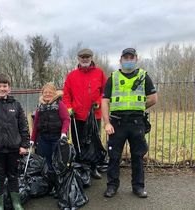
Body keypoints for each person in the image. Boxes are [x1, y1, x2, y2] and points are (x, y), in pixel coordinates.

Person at [102, 48, 157, 198]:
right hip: (116, 123)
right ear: (120, 60)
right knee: (114, 156)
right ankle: (112, 186)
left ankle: (138, 187)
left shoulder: (144, 76)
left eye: (131, 57)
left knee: (137, 156)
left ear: (136, 59)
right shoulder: (113, 78)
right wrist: (107, 123)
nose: (128, 60)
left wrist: (137, 107)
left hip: (136, 122)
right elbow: (105, 102)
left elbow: (153, 98)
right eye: (125, 58)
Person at [0, 74, 30, 210]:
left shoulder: (16, 105)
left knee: (14, 176)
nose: (2, 88)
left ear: (9, 88)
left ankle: (16, 203)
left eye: (5, 86)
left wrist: (24, 145)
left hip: (14, 149)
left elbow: (24, 127)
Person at [62, 48, 107, 179]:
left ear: (91, 58)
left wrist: (98, 101)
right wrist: (69, 107)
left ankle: (93, 167)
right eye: (82, 57)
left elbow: (105, 92)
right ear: (78, 59)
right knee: (78, 142)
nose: (85, 59)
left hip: (94, 116)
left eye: (87, 57)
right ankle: (81, 167)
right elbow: (66, 95)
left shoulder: (99, 73)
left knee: (93, 142)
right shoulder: (71, 75)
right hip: (77, 116)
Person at [31, 82, 70, 170]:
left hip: (57, 138)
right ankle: (48, 179)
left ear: (54, 93)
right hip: (43, 139)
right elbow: (36, 124)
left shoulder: (59, 104)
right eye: (45, 92)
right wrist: (32, 139)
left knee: (57, 160)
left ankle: (58, 179)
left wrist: (63, 133)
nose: (47, 94)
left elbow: (66, 119)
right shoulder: (40, 107)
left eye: (50, 92)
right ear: (42, 93)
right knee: (45, 161)